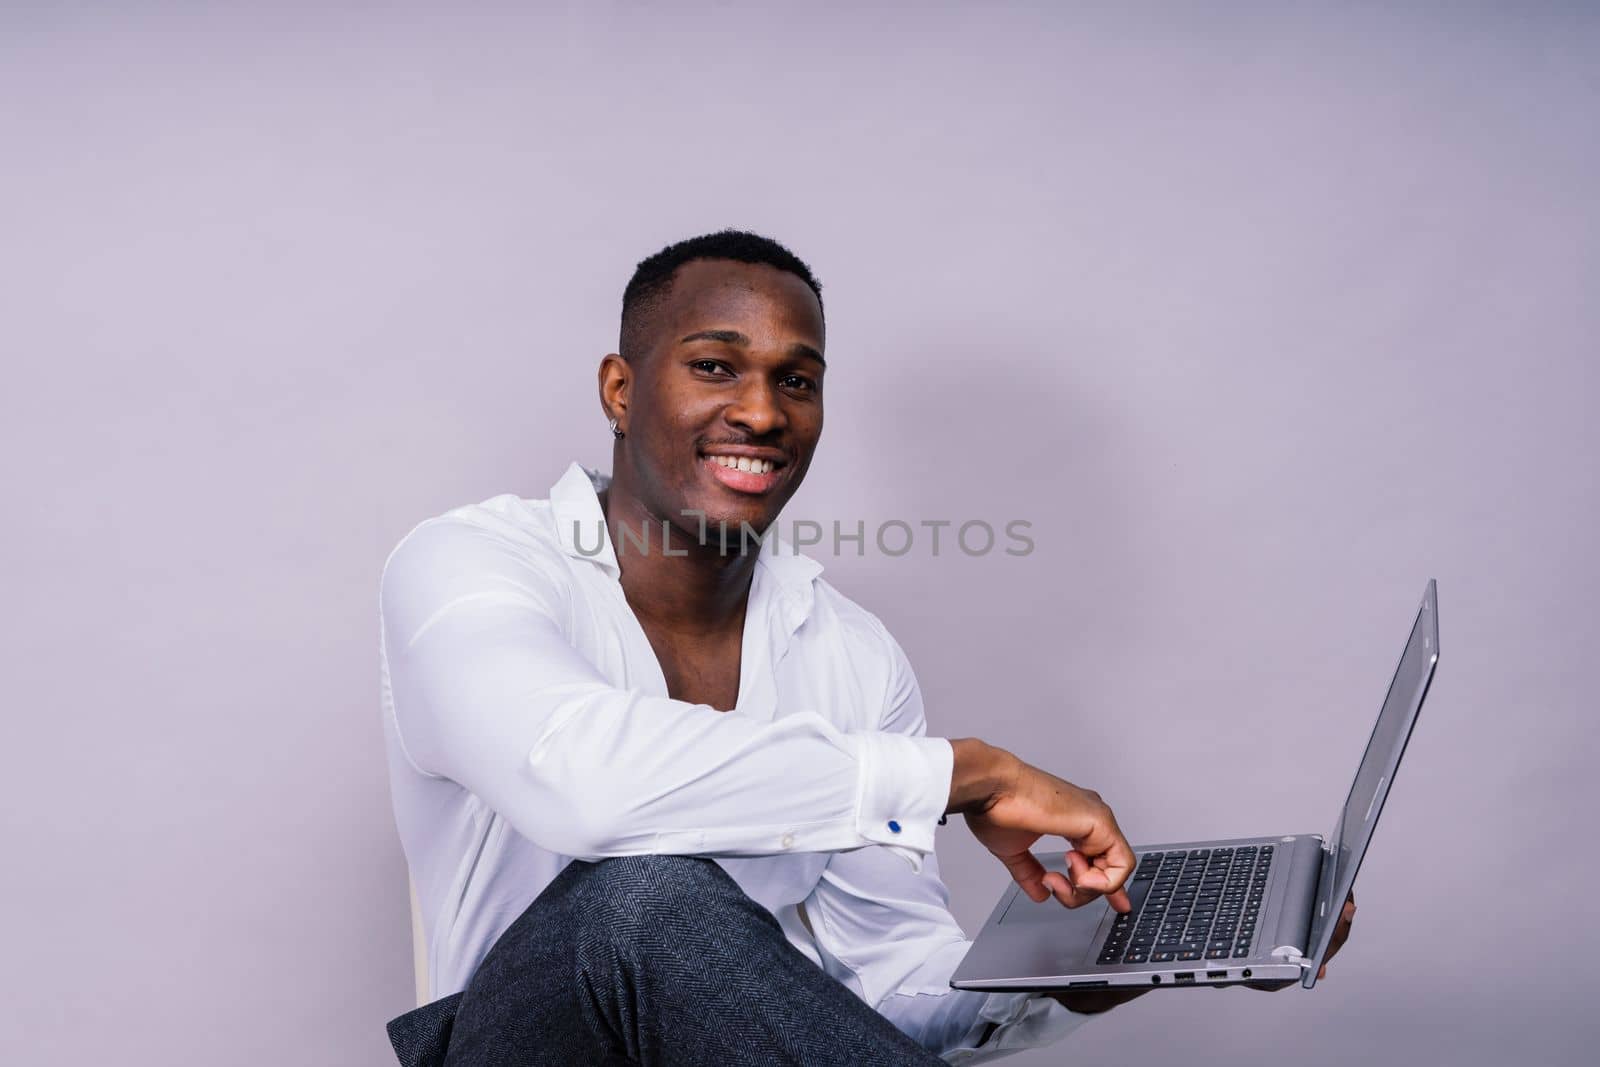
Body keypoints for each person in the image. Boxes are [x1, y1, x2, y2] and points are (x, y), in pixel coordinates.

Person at [378, 230, 1355, 1066]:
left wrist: (1094, 967)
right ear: (621, 390)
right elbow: (585, 784)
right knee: (645, 893)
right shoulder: (468, 565)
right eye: (715, 365)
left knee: (684, 909)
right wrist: (963, 773)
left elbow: (885, 982)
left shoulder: (849, 652)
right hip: (515, 1039)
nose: (761, 411)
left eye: (795, 380)